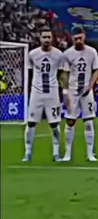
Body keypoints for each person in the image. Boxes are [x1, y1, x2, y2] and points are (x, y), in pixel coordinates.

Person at [23, 27, 64, 162]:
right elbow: (29, 73)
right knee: (31, 123)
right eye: (44, 37)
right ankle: (28, 152)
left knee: (54, 124)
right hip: (37, 92)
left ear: (52, 38)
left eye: (49, 37)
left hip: (52, 93)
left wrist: (63, 90)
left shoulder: (59, 55)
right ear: (39, 38)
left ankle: (56, 153)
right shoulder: (32, 54)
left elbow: (61, 74)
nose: (47, 40)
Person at [61, 25, 98, 163]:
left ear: (84, 36)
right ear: (72, 38)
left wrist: (90, 85)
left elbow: (96, 70)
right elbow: (65, 74)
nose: (78, 41)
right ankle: (67, 153)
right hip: (73, 92)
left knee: (88, 122)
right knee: (70, 121)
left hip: (87, 91)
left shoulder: (92, 52)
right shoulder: (67, 54)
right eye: (76, 39)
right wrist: (65, 92)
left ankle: (90, 154)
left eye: (80, 38)